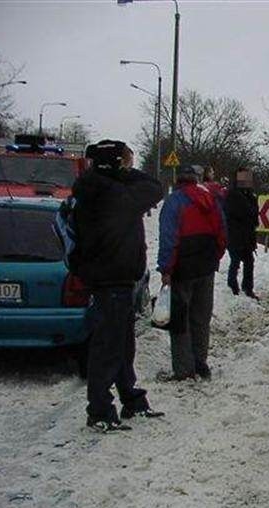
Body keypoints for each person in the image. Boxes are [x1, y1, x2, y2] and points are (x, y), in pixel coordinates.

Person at [73, 139, 164, 431]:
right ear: (113, 164)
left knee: (123, 344)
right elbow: (153, 188)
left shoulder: (102, 186)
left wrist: (117, 172)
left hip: (118, 278)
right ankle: (99, 409)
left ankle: (131, 399)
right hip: (109, 278)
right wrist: (121, 173)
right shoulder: (107, 191)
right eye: (126, 161)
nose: (130, 167)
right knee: (108, 347)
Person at [158, 164, 227, 380]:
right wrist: (215, 257)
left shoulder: (174, 202)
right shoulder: (210, 199)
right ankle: (201, 363)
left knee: (180, 319)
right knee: (200, 317)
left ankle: (184, 369)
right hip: (206, 266)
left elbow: (169, 238)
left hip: (182, 268)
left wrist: (166, 268)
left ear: (178, 181)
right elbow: (222, 231)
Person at [223, 168, 259, 298]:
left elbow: (254, 214)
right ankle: (232, 286)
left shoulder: (250, 194)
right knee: (235, 261)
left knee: (249, 261)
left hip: (247, 235)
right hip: (236, 234)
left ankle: (247, 287)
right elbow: (242, 212)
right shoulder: (233, 194)